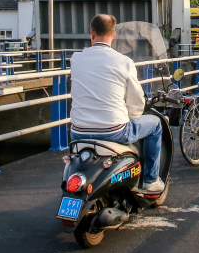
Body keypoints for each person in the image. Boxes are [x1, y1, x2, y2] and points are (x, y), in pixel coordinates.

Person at [69, 14, 165, 193]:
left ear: (92, 33)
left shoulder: (76, 59)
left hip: (77, 132)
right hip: (114, 131)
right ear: (113, 35)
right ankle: (150, 180)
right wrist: (134, 114)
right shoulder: (124, 62)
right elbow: (136, 102)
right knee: (155, 125)